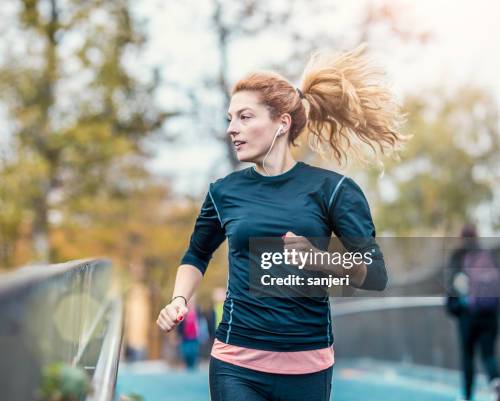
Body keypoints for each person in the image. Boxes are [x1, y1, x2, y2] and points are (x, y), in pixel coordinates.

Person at [156, 43, 406, 401]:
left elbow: (376, 274)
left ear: (282, 124)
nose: (232, 129)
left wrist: (318, 257)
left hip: (308, 368)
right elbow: (196, 255)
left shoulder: (333, 190)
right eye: (230, 118)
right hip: (235, 364)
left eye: (245, 117)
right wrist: (179, 300)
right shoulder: (223, 192)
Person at [446, 223, 500, 401]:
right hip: (489, 314)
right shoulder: (487, 254)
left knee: (468, 356)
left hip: (467, 316)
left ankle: (468, 396)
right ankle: (495, 381)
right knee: (489, 354)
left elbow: (452, 288)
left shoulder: (458, 257)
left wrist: (453, 308)